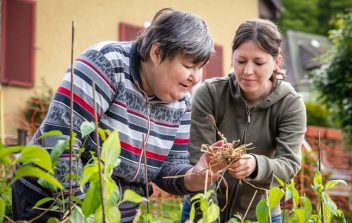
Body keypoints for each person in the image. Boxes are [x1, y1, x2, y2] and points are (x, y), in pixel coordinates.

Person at [12, 8, 225, 223]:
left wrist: (195, 176)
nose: (195, 78)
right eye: (188, 66)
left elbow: (169, 167)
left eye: (200, 68)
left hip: (113, 213)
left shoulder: (182, 101)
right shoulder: (105, 64)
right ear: (157, 52)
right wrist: (85, 213)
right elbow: (59, 139)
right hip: (50, 203)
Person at [181, 19, 307, 223]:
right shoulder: (210, 93)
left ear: (276, 62)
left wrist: (257, 165)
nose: (248, 71)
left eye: (258, 63)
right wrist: (208, 216)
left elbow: (289, 164)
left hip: (260, 215)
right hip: (202, 207)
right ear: (232, 58)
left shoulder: (290, 105)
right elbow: (198, 158)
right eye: (241, 61)